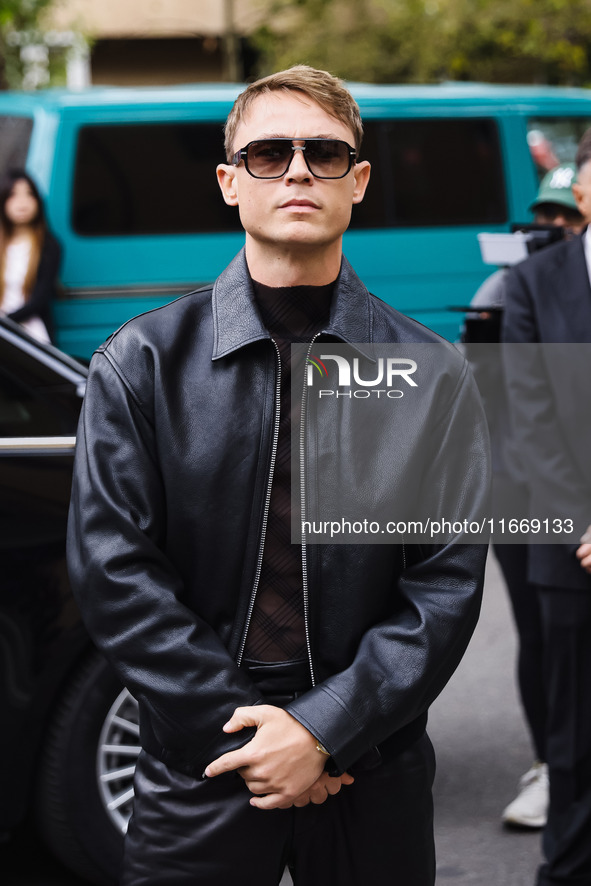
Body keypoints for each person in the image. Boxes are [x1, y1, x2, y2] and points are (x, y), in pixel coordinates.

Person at [67, 66, 490, 886]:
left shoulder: (435, 373)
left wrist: (325, 730)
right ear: (229, 182)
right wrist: (252, 741)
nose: (296, 171)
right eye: (268, 153)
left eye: (323, 154)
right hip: (204, 755)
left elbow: (446, 584)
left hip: (371, 754)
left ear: (358, 181)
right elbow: (115, 572)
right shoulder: (141, 362)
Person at [466, 164, 585, 831]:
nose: (554, 229)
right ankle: (549, 766)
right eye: (545, 218)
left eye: (563, 218)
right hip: (521, 489)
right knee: (542, 633)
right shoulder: (514, 283)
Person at [503, 129, 591, 886]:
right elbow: (527, 416)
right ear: (581, 191)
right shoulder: (532, 282)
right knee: (574, 733)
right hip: (571, 546)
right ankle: (566, 867)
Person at [0, 169, 61, 343]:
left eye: (29, 194)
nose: (22, 202)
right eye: (13, 195)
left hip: (33, 339)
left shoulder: (49, 246)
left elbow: (40, 299)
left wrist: (5, 323)